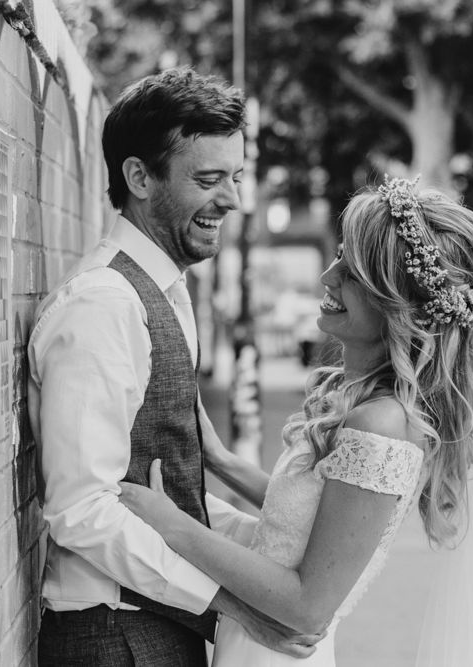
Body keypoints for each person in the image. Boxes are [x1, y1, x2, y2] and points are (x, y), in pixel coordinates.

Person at [120, 176, 473, 666]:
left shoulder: (382, 425)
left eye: (350, 273)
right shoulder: (365, 407)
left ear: (396, 304)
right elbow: (303, 522)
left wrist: (172, 526)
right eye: (339, 256)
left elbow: (308, 606)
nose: (328, 277)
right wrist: (219, 459)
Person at [27, 67, 320, 667]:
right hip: (115, 638)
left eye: (235, 177)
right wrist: (232, 603)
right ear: (138, 176)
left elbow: (176, 491)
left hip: (155, 631)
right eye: (208, 179)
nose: (233, 199)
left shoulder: (165, 292)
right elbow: (81, 509)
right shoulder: (103, 304)